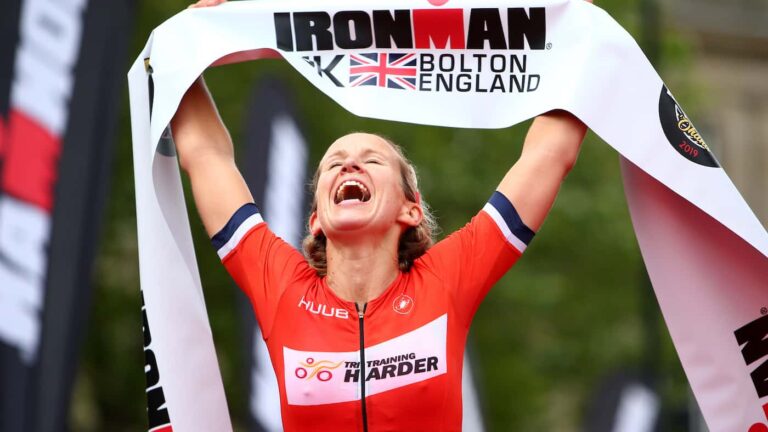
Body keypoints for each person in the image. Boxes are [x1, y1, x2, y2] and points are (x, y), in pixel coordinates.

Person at [176, 1, 588, 430]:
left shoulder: (445, 281)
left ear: (410, 208)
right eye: (334, 163)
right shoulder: (283, 289)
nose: (349, 165)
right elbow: (206, 156)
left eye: (371, 160)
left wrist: (575, 25)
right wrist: (186, 43)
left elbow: (549, 152)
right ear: (316, 217)